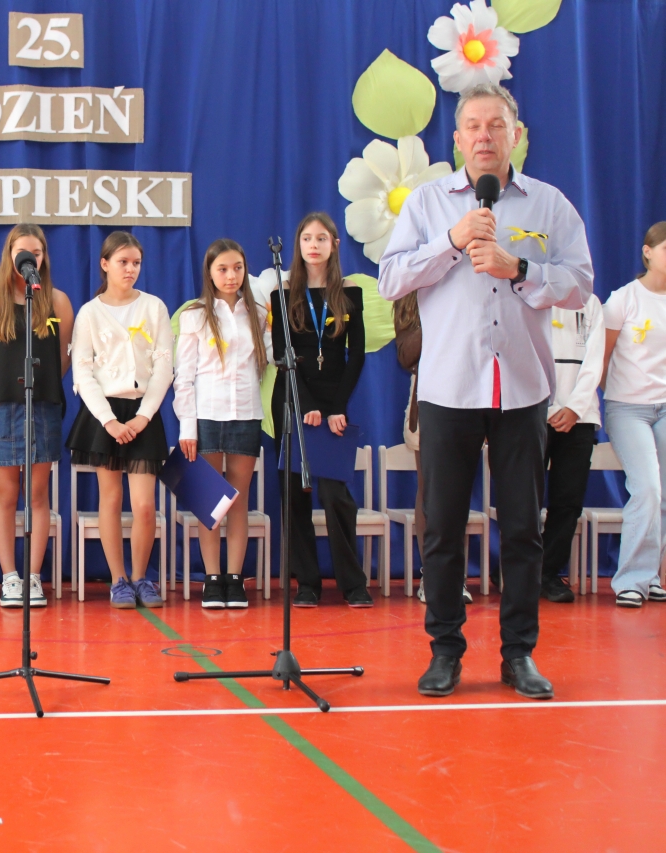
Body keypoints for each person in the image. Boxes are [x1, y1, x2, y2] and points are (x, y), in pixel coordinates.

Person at [379, 83, 594, 700]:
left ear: (515, 135)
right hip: (448, 387)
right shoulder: (428, 203)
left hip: (522, 387)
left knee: (523, 528)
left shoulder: (549, 204)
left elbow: (581, 284)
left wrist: (519, 268)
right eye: (472, 126)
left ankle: (518, 653)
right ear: (456, 139)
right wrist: (451, 241)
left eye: (495, 125)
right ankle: (445, 651)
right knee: (443, 529)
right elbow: (391, 278)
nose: (483, 136)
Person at [270, 213, 372, 608]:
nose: (313, 245)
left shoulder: (350, 294)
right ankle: (307, 582)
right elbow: (283, 355)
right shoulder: (283, 294)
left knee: (335, 495)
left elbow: (356, 354)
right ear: (298, 245)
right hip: (292, 400)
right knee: (294, 494)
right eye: (307, 238)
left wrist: (335, 408)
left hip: (334, 406)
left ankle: (353, 583)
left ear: (334, 245)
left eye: (321, 238)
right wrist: (306, 405)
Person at [67, 231, 173, 609]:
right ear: (105, 264)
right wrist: (109, 421)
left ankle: (141, 577)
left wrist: (144, 416)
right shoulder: (89, 312)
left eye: (136, 263)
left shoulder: (154, 307)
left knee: (144, 505)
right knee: (110, 500)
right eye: (123, 262)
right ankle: (118, 580)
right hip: (105, 416)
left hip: (143, 414)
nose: (130, 269)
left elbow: (164, 366)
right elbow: (82, 372)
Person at [0, 225, 74, 608]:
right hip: (1, 405)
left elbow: (63, 359)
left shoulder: (57, 301)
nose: (31, 258)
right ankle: (9, 577)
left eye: (38, 252)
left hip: (42, 406)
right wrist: (8, 388)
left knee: (38, 494)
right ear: (10, 254)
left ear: (44, 257)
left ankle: (33, 576)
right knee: (5, 494)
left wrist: (38, 387)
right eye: (23, 251)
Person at [174, 239, 271, 609]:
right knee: (210, 502)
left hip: (246, 414)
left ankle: (235, 577)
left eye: (237, 268)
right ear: (210, 273)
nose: (231, 276)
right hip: (208, 415)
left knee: (239, 500)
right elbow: (184, 376)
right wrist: (188, 426)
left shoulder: (258, 313)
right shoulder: (195, 315)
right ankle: (212, 578)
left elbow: (271, 357)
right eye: (223, 269)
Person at [600, 222, 666, 608]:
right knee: (648, 488)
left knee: (663, 493)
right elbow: (602, 358)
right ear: (647, 252)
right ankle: (631, 580)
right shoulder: (623, 300)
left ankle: (651, 574)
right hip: (628, 408)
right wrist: (612, 397)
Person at [395, 294, 474, 606]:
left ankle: (456, 576)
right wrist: (436, 316)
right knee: (430, 490)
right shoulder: (409, 298)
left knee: (457, 489)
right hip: (426, 401)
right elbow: (405, 355)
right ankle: (432, 575)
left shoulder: (469, 291)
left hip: (468, 395)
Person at [539, 292, 605, 602]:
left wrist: (575, 408)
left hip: (581, 416)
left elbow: (595, 361)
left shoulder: (590, 303)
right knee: (524, 497)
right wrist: (549, 407)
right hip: (534, 411)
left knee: (567, 500)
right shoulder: (530, 295)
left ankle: (548, 573)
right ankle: (519, 569)